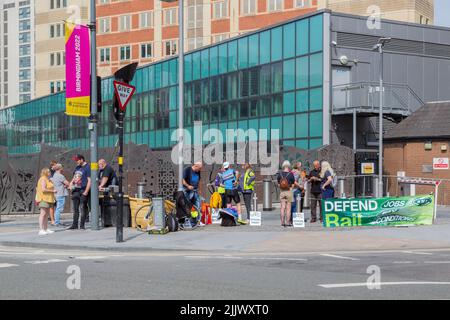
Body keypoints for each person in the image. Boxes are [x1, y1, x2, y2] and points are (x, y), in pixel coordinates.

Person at [68, 154, 91, 230]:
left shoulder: (88, 167)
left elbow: (89, 180)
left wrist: (86, 192)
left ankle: (82, 225)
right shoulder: (77, 167)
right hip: (75, 190)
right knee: (75, 209)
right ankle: (74, 225)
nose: (76, 162)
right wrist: (71, 183)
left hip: (83, 190)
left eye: (77, 160)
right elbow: (74, 177)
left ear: (82, 159)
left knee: (82, 208)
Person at [35, 168, 57, 235]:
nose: (50, 173)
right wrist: (53, 191)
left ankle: (46, 228)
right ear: (45, 172)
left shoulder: (48, 179)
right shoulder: (43, 179)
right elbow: (43, 189)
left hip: (49, 199)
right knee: (43, 214)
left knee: (46, 214)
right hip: (43, 199)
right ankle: (41, 229)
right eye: (49, 172)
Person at [277, 161, 295, 227]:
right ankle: (287, 222)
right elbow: (293, 185)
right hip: (289, 191)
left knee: (282, 207)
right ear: (289, 166)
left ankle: (282, 222)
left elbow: (278, 184)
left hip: (282, 192)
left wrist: (282, 188)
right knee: (288, 208)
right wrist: (290, 188)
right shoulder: (291, 174)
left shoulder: (280, 174)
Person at [48, 160, 58, 225]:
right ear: (52, 165)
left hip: (56, 190)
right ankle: (52, 219)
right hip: (52, 190)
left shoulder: (56, 171)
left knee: (56, 205)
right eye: (55, 165)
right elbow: (50, 180)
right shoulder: (49, 172)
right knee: (52, 205)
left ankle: (54, 218)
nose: (56, 166)